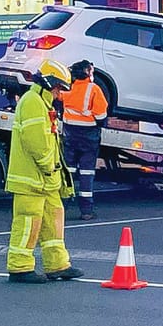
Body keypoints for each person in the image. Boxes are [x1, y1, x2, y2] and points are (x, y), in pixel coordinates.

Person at [5, 59, 84, 284]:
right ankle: (20, 267)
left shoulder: (43, 102)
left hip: (46, 179)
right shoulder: (33, 102)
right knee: (28, 222)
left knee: (53, 220)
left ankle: (57, 265)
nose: (61, 94)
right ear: (50, 83)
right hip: (32, 178)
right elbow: (36, 142)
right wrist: (49, 166)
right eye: (59, 88)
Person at [57, 59, 108, 221]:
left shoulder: (69, 89)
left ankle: (61, 208)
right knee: (86, 173)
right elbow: (101, 115)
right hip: (89, 137)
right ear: (87, 72)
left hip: (70, 135)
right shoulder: (94, 89)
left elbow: (60, 100)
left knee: (68, 172)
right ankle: (86, 210)